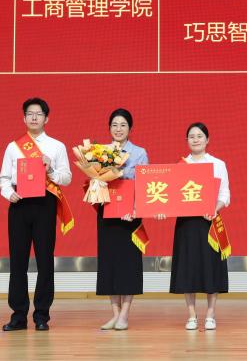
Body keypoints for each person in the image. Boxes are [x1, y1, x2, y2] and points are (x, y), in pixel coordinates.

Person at [0, 97, 73, 331]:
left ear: (46, 118)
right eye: (30, 113)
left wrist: (51, 169)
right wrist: (8, 193)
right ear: (24, 118)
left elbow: (67, 178)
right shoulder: (13, 147)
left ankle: (42, 315)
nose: (34, 117)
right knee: (18, 261)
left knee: (45, 260)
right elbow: (3, 178)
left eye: (38, 114)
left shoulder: (56, 146)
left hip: (44, 204)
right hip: (19, 204)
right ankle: (18, 315)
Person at [167, 122, 230, 331]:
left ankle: (211, 314)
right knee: (188, 267)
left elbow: (225, 194)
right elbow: (171, 196)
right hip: (186, 224)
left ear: (207, 139)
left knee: (211, 267)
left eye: (200, 136)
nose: (196, 139)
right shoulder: (180, 166)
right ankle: (192, 315)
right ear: (187, 141)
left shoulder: (218, 164)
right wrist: (162, 209)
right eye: (192, 136)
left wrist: (215, 207)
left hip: (209, 221)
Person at [96, 108, 149, 330]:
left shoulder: (139, 153)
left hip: (130, 215)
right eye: (114, 125)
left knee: (128, 264)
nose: (118, 129)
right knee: (109, 263)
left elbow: (144, 185)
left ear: (130, 128)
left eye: (123, 125)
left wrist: (135, 209)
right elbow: (95, 181)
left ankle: (125, 314)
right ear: (109, 128)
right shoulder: (100, 152)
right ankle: (115, 314)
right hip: (108, 211)